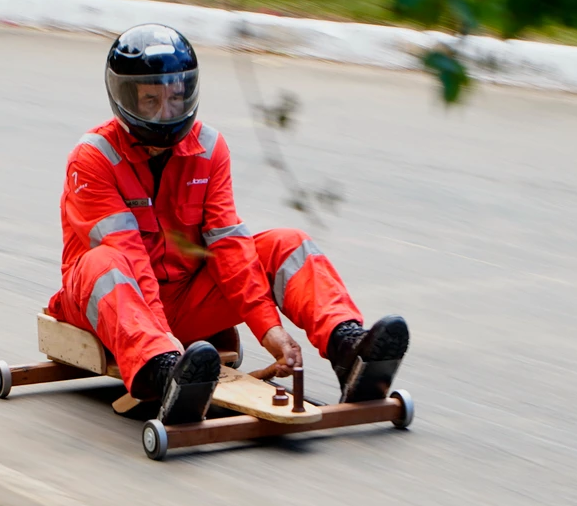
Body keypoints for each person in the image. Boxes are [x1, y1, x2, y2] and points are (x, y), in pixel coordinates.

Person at [45, 23, 410, 424]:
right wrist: (168, 348)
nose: (167, 111)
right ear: (125, 97)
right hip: (111, 305)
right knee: (108, 263)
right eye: (151, 99)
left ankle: (348, 348)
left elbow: (229, 248)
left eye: (175, 96)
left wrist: (269, 331)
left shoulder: (210, 149)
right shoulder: (94, 157)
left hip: (185, 300)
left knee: (288, 242)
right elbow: (129, 257)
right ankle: (162, 373)